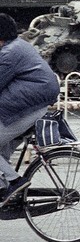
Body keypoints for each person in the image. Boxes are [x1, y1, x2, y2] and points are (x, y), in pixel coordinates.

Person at [0, 14, 61, 207]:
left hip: (26, 109)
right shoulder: (18, 46)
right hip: (33, 105)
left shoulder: (8, 54)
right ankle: (5, 192)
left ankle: (15, 182)